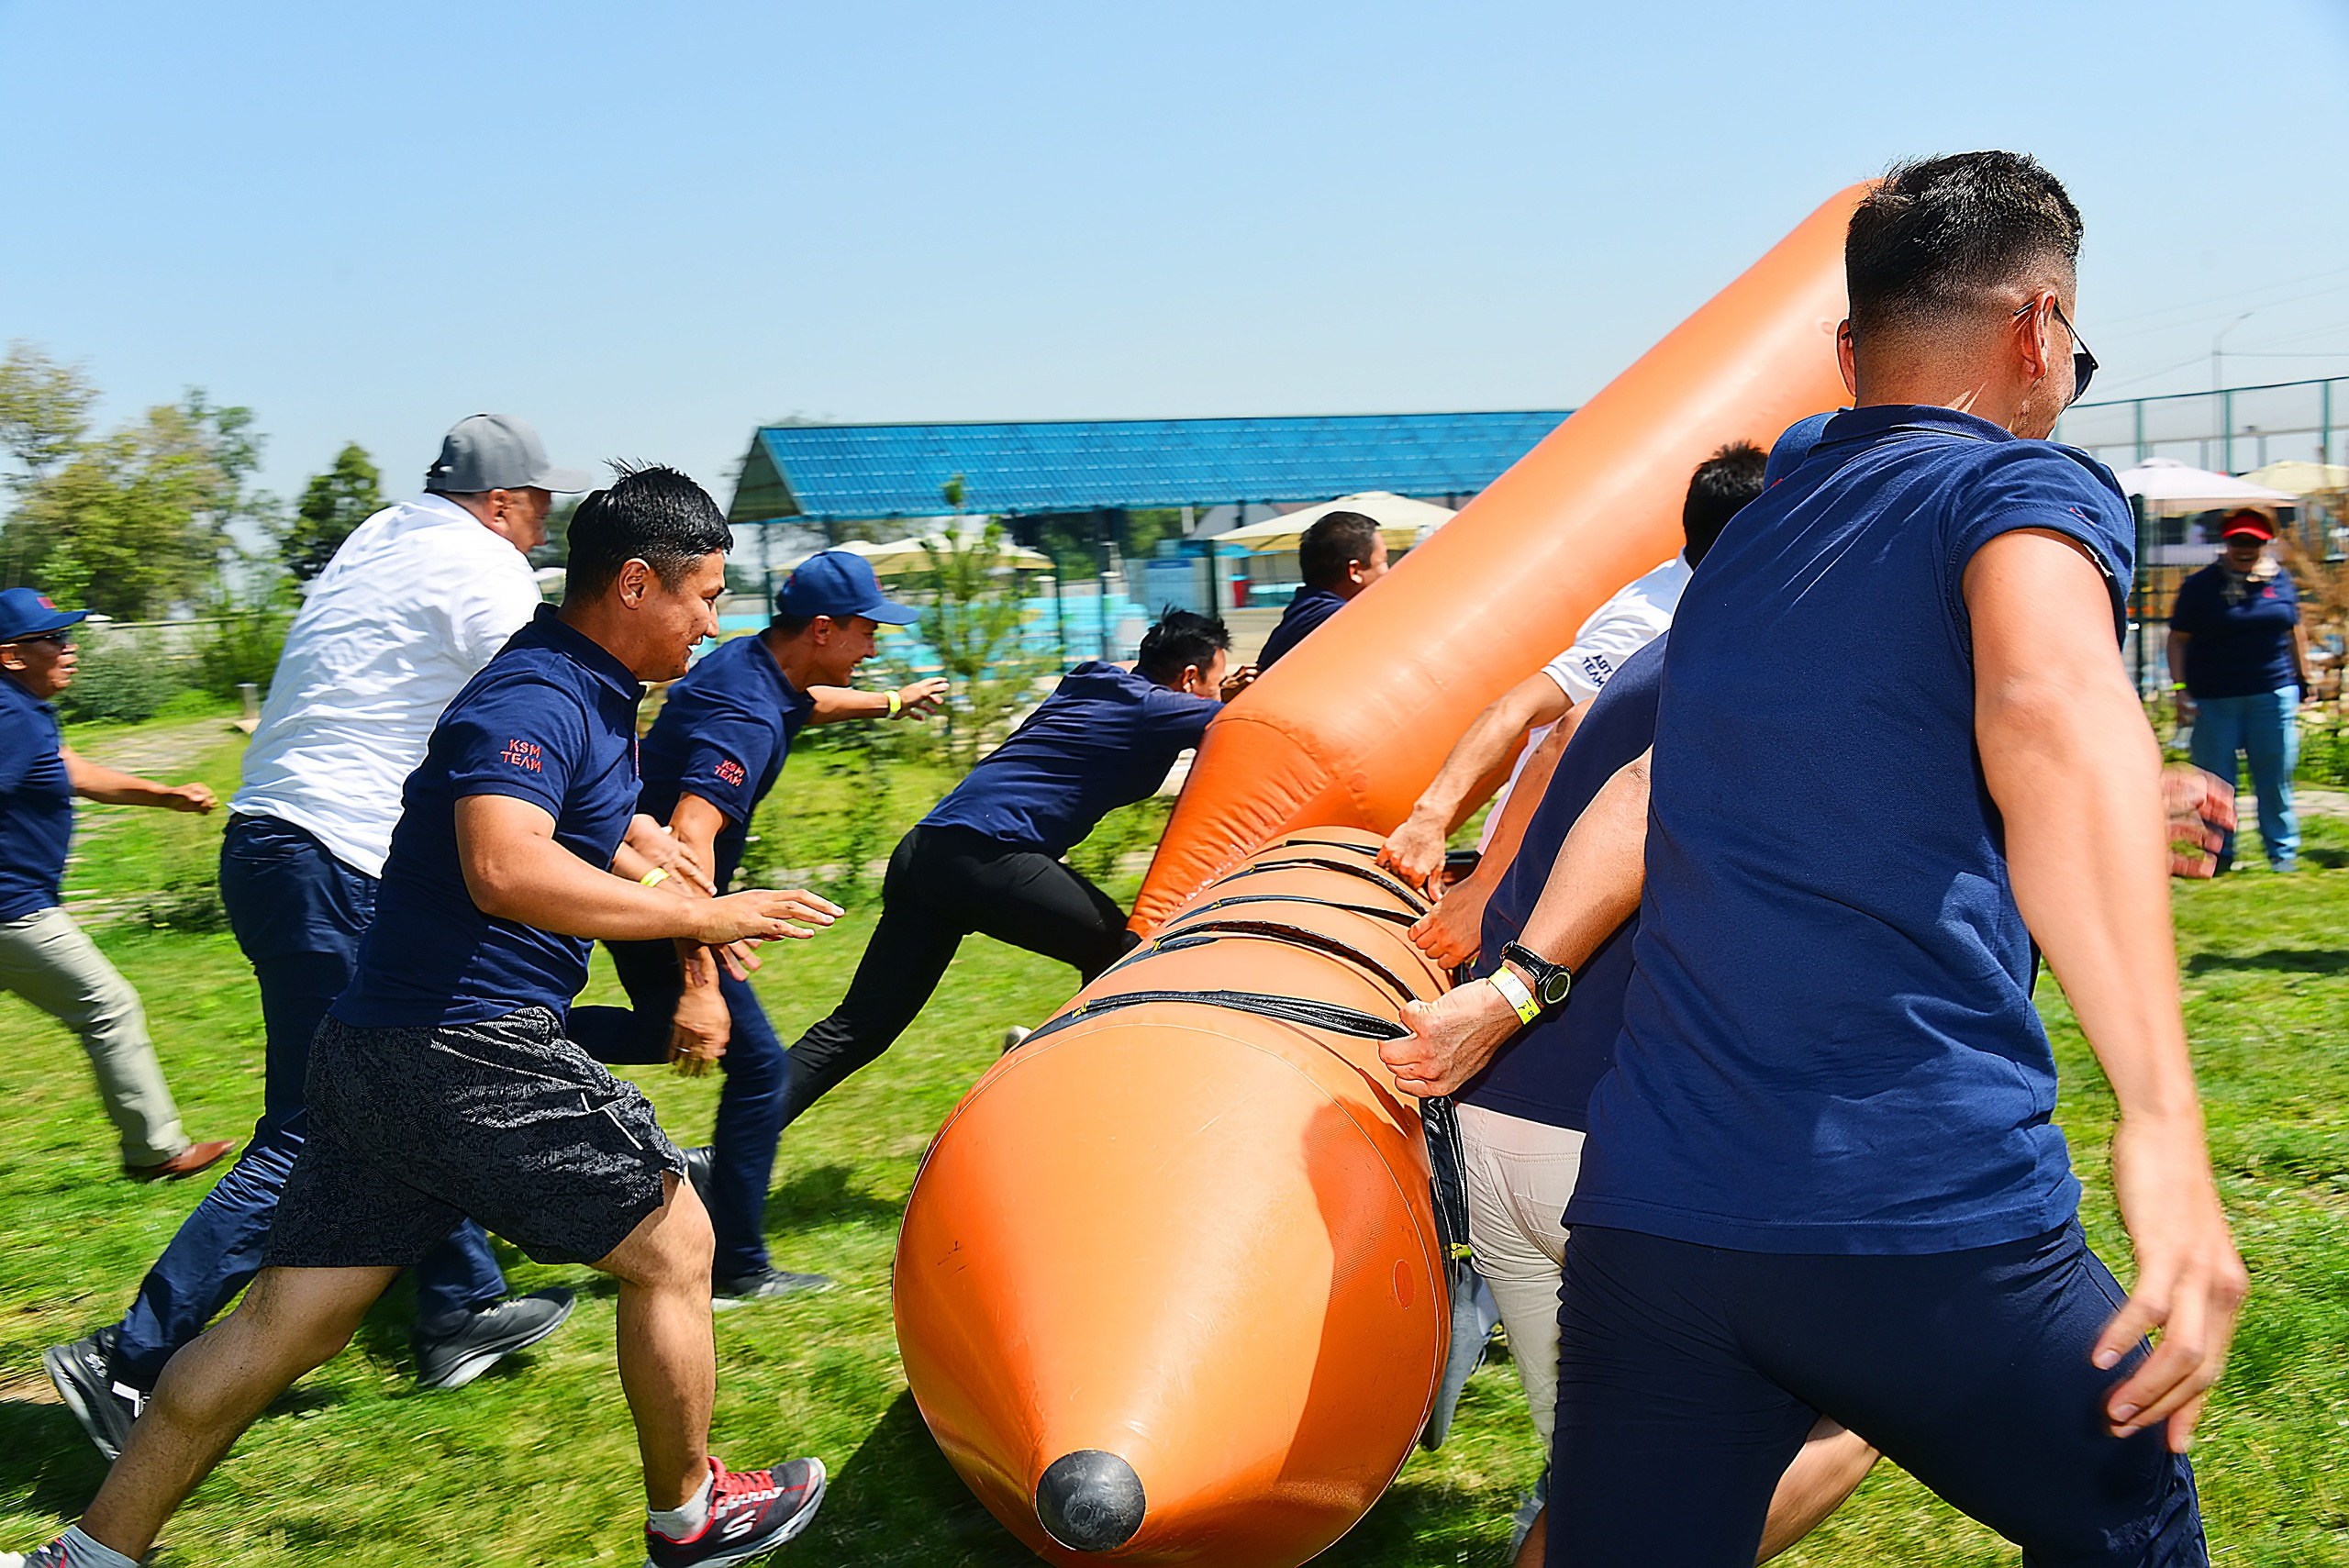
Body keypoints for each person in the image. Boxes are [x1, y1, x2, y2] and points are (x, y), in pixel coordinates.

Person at [1393, 151, 2244, 1566]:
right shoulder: (2022, 488)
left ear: (1851, 352)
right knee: (2132, 1519)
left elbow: (1679, 787)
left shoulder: (1753, 531)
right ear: (2039, 329)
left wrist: (1518, 978)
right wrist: (2161, 1114)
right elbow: (2044, 704)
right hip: (1919, 1219)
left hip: (1655, 1223)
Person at [8, 464, 844, 1568]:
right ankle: (690, 1512)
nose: (715, 619)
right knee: (676, 1237)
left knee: (282, 1324)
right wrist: (697, 906)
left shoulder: (578, 690)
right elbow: (502, 864)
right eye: (703, 593)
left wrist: (669, 876)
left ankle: (92, 1552)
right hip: (468, 1042)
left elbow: (585, 821)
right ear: (635, 584)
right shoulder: (537, 693)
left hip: (379, 1047)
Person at [43, 416, 620, 1460]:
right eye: (538, 503)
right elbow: (557, 722)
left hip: (272, 844)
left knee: (402, 1083)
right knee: (331, 1118)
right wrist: (646, 850)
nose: (543, 524)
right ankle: (128, 1357)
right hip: (340, 857)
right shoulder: (485, 571)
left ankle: (456, 1307)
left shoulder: (380, 537)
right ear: (500, 502)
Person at [572, 549, 948, 1307]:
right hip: (659, 891)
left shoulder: (757, 666)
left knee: (689, 1040)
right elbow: (690, 833)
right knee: (756, 1066)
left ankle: (524, 1039)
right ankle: (737, 1266)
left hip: (637, 886)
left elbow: (806, 703)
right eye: (866, 630)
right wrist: (701, 970)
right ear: (820, 628)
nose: (874, 645)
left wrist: (889, 702)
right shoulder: (743, 715)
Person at [772, 608, 1234, 1141]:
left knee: (858, 1027)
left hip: (926, 851)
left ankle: (720, 1159)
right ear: (1190, 678)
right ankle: (1061, 1083)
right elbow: (1255, 723)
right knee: (1123, 957)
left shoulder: (1097, 681)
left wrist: (1231, 689)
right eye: (1217, 681)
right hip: (986, 856)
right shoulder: (1155, 707)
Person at [1409, 444, 1766, 966]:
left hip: (1574, 868)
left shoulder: (1700, 593)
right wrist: (1472, 867)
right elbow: (1539, 719)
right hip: (1535, 875)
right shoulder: (1650, 624)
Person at [0, 588, 233, 1182]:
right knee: (108, 1005)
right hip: (12, 910)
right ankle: (156, 1149)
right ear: (11, 655)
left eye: (68, 635)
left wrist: (165, 795)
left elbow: (73, 771)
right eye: (52, 638)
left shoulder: (23, 710)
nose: (69, 647)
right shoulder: (8, 716)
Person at [2168, 507, 2310, 873]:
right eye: (2238, 541)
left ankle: (2283, 855)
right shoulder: (2200, 586)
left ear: (2265, 544)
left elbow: (2294, 631)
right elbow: (2178, 640)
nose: (2245, 549)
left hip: (2272, 693)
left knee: (2275, 778)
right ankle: (2220, 855)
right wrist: (2181, 689)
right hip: (2214, 699)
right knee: (2217, 784)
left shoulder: (2281, 580)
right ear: (2227, 542)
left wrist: (2303, 679)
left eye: (2254, 542)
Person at [1253, 508, 1388, 669]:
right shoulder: (1340, 621)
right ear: (1355, 571)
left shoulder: (1306, 613)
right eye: (1384, 561)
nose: (1390, 572)